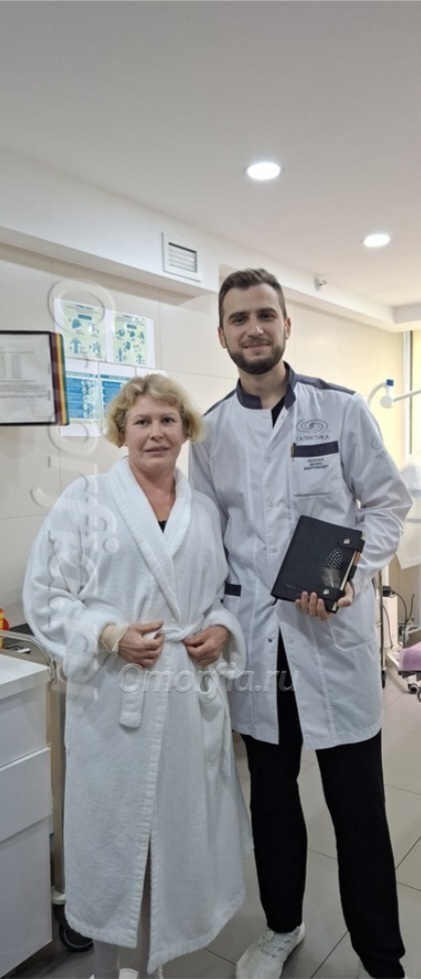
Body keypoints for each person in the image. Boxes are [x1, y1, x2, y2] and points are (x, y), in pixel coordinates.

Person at [189, 268, 412, 979]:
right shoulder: (210, 431)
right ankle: (281, 927)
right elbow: (206, 544)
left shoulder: (338, 410)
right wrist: (210, 619)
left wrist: (348, 575)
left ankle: (381, 956)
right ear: (222, 334)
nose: (252, 328)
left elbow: (386, 504)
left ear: (286, 325)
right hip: (257, 647)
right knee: (274, 805)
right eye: (238, 318)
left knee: (358, 810)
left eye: (264, 315)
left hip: (330, 639)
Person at [23, 374, 252, 979]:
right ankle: (107, 969)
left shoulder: (204, 511)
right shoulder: (87, 500)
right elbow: (46, 593)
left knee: (172, 840)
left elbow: (219, 595)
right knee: (114, 842)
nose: (156, 433)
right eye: (142, 421)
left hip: (185, 697)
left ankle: (153, 965)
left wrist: (221, 629)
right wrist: (107, 634)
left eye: (168, 421)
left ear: (186, 430)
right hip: (113, 698)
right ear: (122, 431)